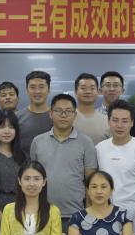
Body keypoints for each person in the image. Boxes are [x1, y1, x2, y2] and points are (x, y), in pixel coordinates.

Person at [29, 93, 97, 225]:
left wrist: (89, 215)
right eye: (59, 111)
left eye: (68, 111)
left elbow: (91, 182)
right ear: (51, 114)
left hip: (75, 214)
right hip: (42, 213)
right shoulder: (38, 142)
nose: (63, 115)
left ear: (75, 115)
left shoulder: (86, 142)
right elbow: (32, 178)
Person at [95, 100, 135, 218]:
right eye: (115, 120)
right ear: (108, 121)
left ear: (132, 123)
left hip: (134, 215)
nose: (119, 125)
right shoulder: (99, 148)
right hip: (104, 214)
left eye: (125, 121)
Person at [17, 70, 53, 150]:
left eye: (41, 87)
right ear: (27, 90)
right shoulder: (17, 117)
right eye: (32, 87)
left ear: (49, 90)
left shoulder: (57, 116)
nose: (37, 91)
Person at [73, 72, 110, 145]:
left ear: (98, 92)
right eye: (83, 88)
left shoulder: (107, 120)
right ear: (75, 92)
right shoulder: (67, 118)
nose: (88, 91)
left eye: (92, 88)